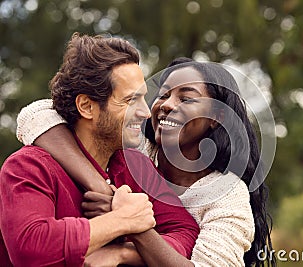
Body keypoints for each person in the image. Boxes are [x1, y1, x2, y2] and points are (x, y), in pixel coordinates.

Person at [17, 58, 275, 266]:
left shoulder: (227, 195)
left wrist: (128, 242)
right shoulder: (133, 147)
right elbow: (35, 115)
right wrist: (102, 186)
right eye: (163, 95)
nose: (166, 106)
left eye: (186, 99)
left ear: (216, 117)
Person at [0, 33, 199, 266]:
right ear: (86, 106)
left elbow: (186, 232)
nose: (146, 112)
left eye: (144, 98)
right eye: (129, 100)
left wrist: (126, 249)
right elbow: (30, 248)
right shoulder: (27, 167)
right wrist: (120, 221)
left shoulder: (136, 165)